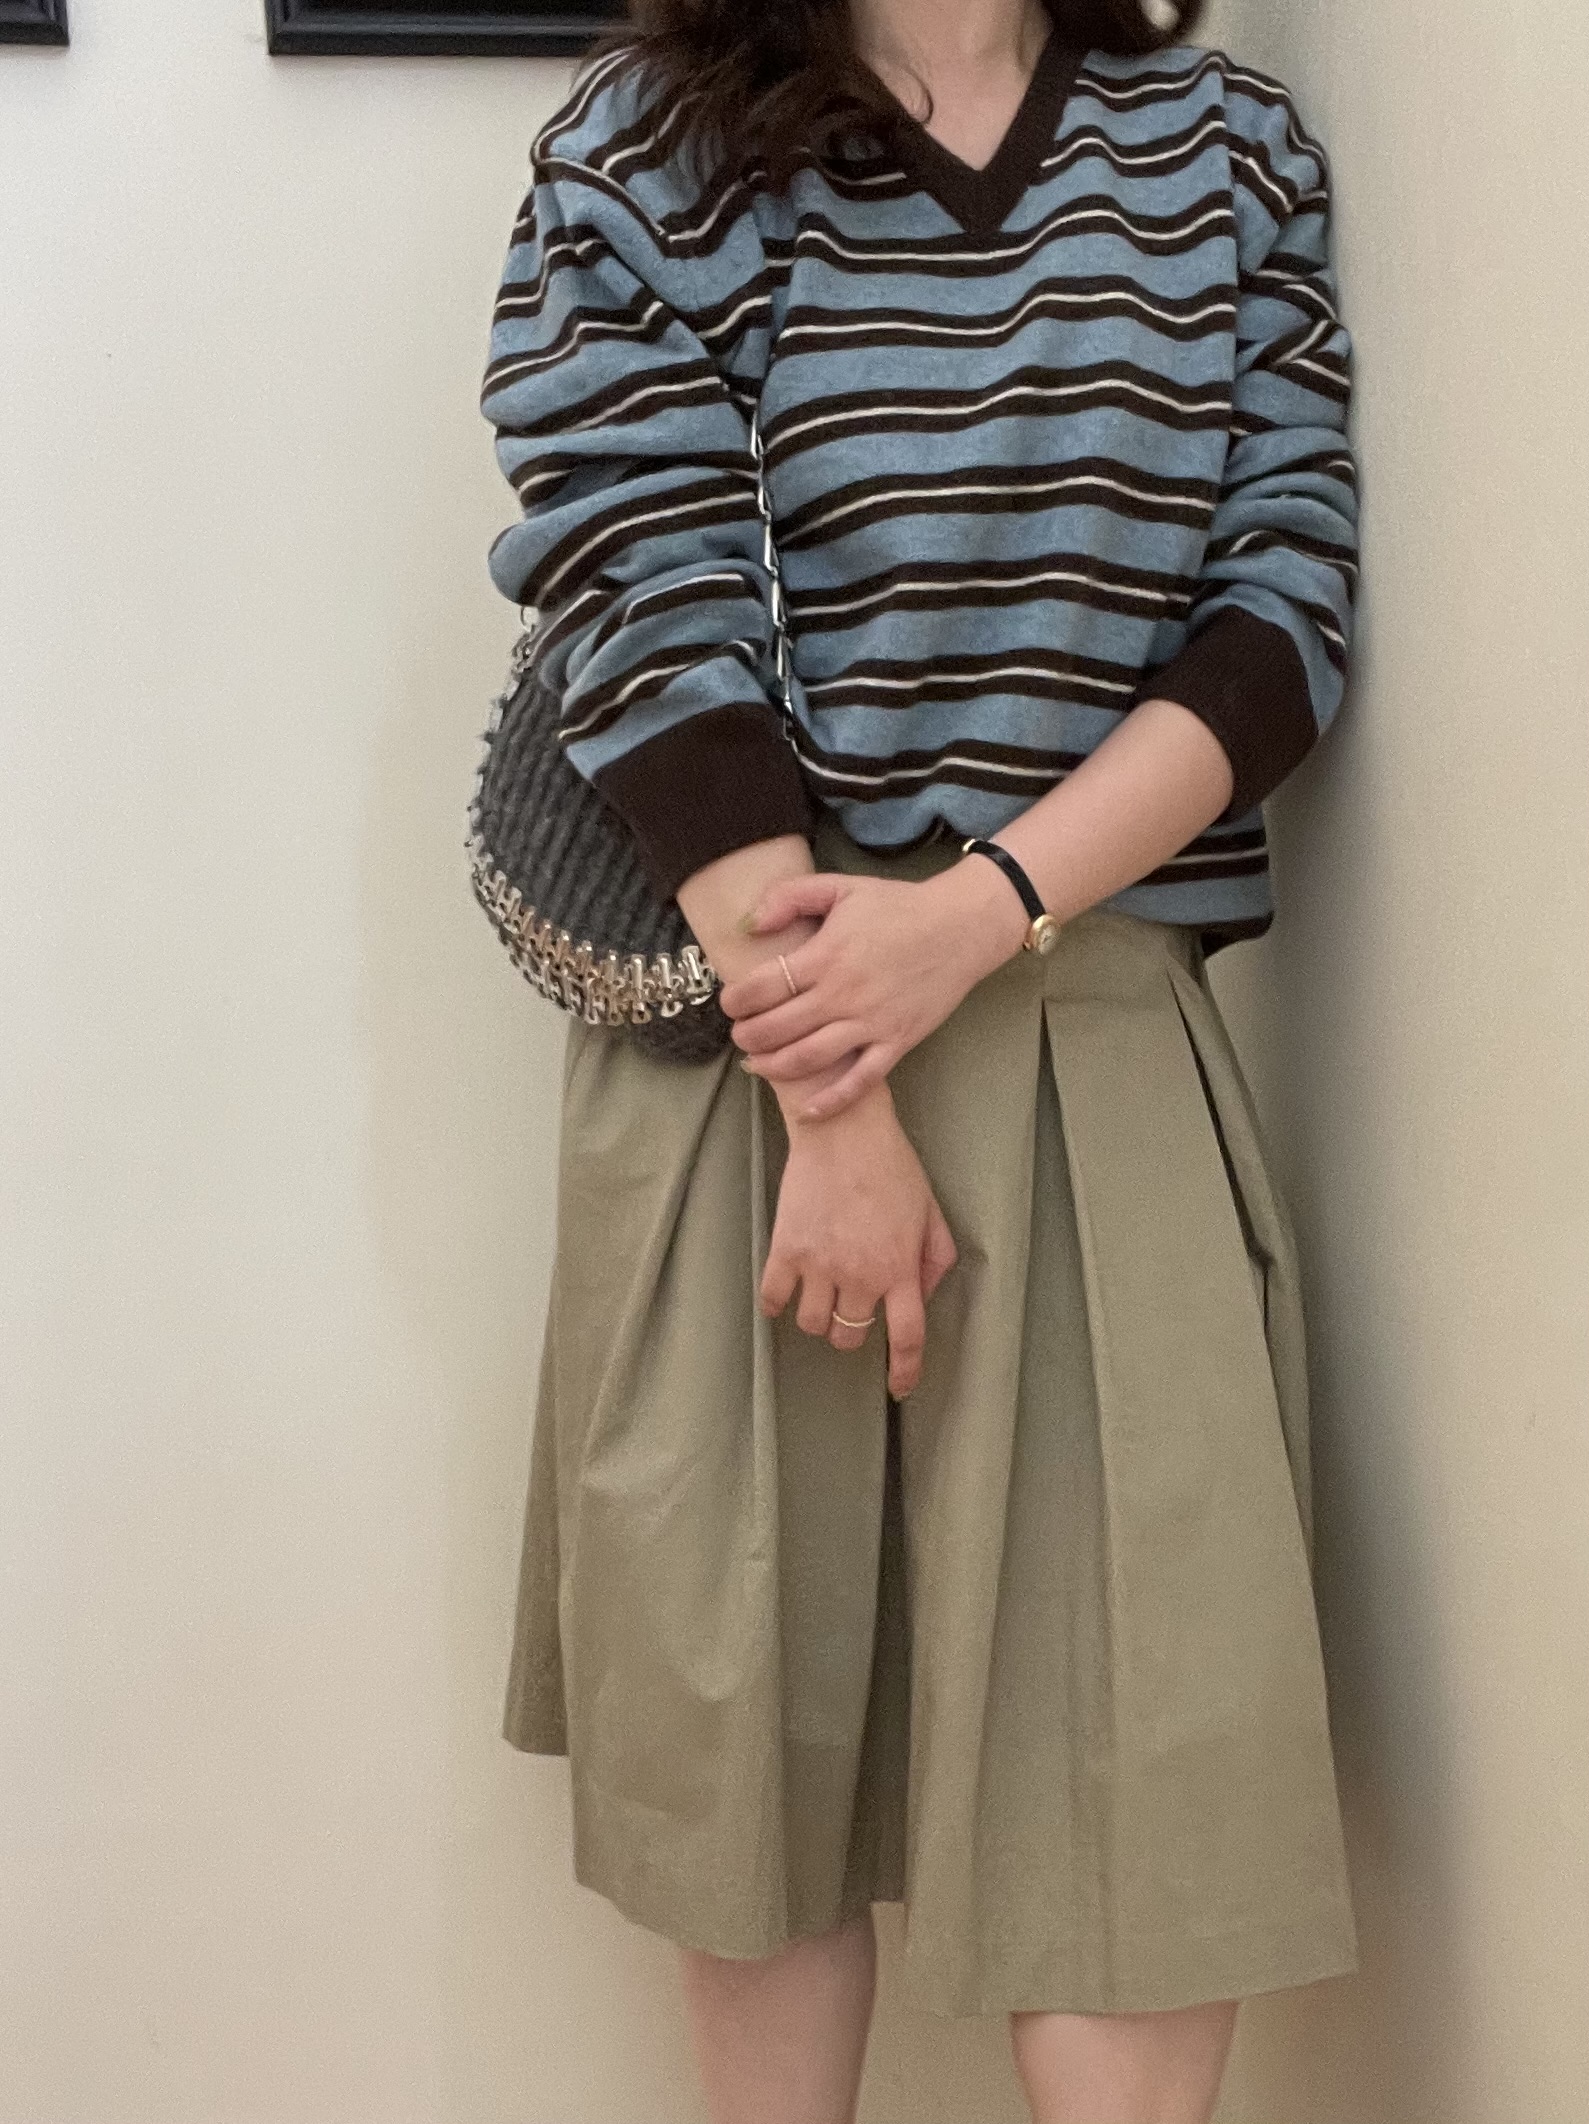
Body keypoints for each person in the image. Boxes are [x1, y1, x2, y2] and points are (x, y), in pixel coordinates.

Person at [479, 0, 1361, 2115]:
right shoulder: (640, 154)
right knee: (752, 1768)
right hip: (753, 1058)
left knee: (1140, 1773)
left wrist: (974, 917)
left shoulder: (1221, 153)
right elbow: (642, 601)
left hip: (1092, 1022)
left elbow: (1283, 616)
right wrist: (836, 1092)